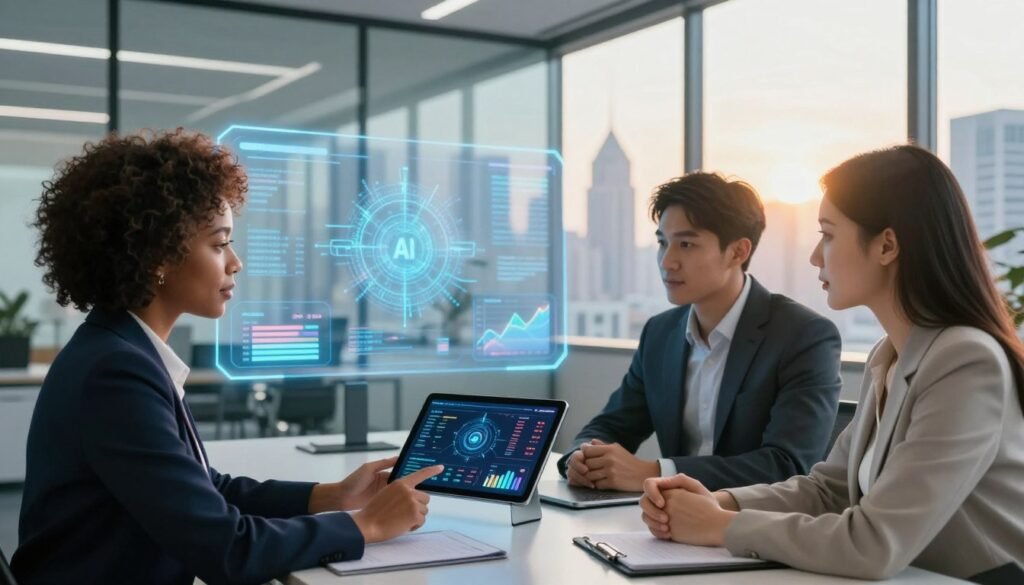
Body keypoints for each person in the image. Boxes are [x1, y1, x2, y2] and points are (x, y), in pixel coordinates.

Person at [11, 129, 443, 585]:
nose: (235, 262)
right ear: (159, 255)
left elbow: (204, 490)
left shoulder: (118, 349)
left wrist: (333, 495)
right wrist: (366, 525)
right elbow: (226, 551)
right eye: (219, 244)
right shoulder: (115, 372)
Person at [640, 145, 1024, 580]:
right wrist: (720, 502)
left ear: (887, 245)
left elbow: (873, 544)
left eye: (828, 235)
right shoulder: (890, 354)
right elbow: (829, 490)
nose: (815, 256)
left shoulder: (966, 361)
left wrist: (720, 526)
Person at [559, 172, 842, 493]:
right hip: (665, 518)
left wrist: (654, 472)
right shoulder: (660, 333)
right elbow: (611, 425)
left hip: (753, 520)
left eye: (686, 244)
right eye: (662, 243)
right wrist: (580, 458)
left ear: (738, 252)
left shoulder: (804, 336)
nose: (667, 261)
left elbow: (786, 465)